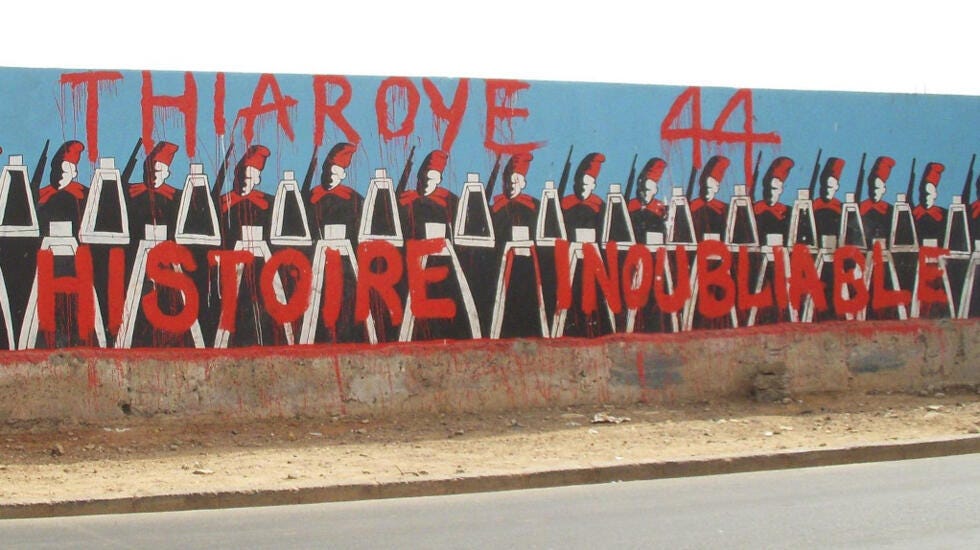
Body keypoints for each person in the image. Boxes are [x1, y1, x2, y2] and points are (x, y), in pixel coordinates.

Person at [219, 144, 272, 247]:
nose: (244, 183)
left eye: (248, 178)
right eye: (241, 177)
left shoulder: (268, 203)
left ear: (257, 180)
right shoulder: (222, 202)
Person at [308, 142, 363, 241]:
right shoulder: (312, 196)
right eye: (335, 172)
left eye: (340, 173)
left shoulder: (351, 197)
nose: (342, 176)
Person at [398, 150, 456, 240]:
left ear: (439, 180)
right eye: (425, 177)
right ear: (419, 176)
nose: (427, 182)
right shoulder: (404, 200)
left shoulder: (449, 200)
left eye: (432, 178)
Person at [128, 141, 180, 241]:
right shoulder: (131, 193)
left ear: (167, 174)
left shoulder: (177, 197)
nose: (154, 176)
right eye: (150, 171)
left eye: (158, 171)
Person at [38, 140, 87, 236]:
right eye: (57, 171)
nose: (60, 176)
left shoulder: (84, 194)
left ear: (74, 174)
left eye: (64, 172)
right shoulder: (40, 195)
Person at [491, 152, 538, 242]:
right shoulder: (496, 209)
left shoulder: (533, 208)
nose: (511, 185)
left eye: (515, 181)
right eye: (509, 181)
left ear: (523, 184)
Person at [561, 152, 605, 241]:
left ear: (593, 186)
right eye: (579, 184)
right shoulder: (564, 203)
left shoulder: (601, 206)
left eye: (586, 184)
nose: (582, 188)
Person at [753, 156, 794, 244]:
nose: (770, 193)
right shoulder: (752, 210)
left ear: (781, 190)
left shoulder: (789, 212)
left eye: (774, 189)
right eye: (767, 188)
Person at [689, 155, 729, 241]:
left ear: (717, 188)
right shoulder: (690, 207)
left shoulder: (724, 208)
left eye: (709, 188)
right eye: (704, 187)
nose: (706, 191)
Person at [627, 157, 667, 243]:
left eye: (648, 190)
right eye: (642, 189)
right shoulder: (629, 206)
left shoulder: (660, 209)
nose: (644, 193)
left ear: (655, 190)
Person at [859, 156, 896, 248]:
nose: (874, 192)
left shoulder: (891, 210)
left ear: (884, 189)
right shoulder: (859, 208)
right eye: (872, 188)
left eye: (877, 188)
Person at [912, 162, 947, 245]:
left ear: (935, 194)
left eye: (929, 194)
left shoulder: (944, 214)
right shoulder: (913, 214)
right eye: (923, 193)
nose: (926, 198)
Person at [813, 157, 845, 244]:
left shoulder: (841, 207)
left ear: (837, 187)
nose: (827, 190)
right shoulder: (813, 205)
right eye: (824, 186)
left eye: (830, 187)